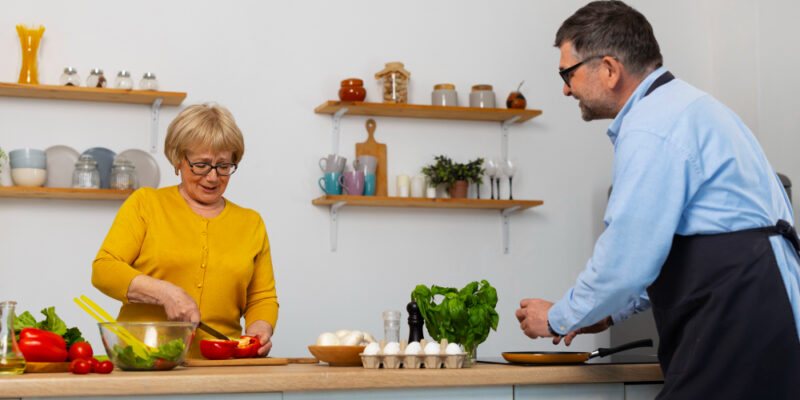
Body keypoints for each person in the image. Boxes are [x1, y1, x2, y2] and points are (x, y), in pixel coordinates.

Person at [515, 1, 800, 398]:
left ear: (610, 69)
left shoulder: (652, 126)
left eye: (568, 73)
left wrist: (560, 317)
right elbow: (676, 250)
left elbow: (627, 258)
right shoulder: (684, 107)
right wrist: (608, 312)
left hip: (738, 314)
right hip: (753, 305)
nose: (565, 88)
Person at [92, 103, 278, 358]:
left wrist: (260, 330)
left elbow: (261, 297)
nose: (213, 177)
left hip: (222, 366)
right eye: (201, 165)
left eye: (223, 165)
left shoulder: (251, 222)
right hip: (143, 361)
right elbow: (104, 269)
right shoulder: (146, 203)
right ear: (178, 159)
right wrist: (165, 293)